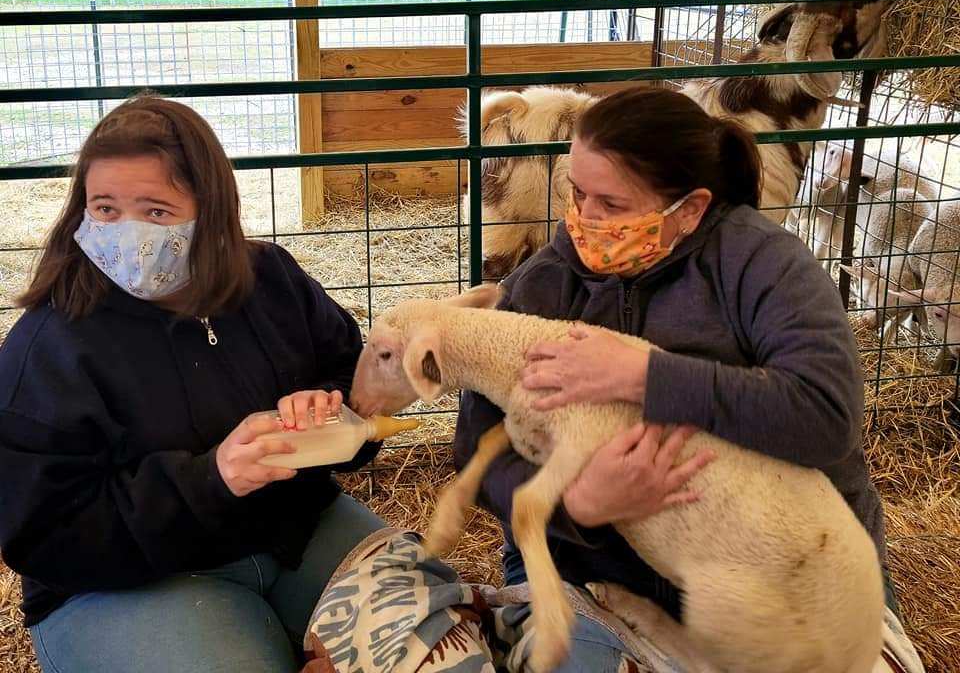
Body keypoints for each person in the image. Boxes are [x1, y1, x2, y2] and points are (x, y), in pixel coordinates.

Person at [452, 87, 923, 671]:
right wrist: (578, 503)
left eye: (611, 204)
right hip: (593, 568)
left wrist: (645, 376)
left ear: (691, 209)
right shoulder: (545, 283)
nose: (582, 221)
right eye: (576, 193)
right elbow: (475, 448)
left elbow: (827, 416)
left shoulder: (763, 263)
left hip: (786, 566)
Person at [0, 95, 387, 673]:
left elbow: (351, 378)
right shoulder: (49, 346)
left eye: (155, 212)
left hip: (294, 531)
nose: (127, 234)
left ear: (210, 209)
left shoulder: (272, 280)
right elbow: (44, 534)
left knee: (440, 634)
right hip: (130, 579)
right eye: (105, 209)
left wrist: (333, 409)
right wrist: (211, 480)